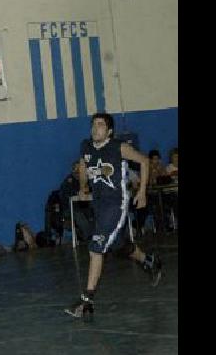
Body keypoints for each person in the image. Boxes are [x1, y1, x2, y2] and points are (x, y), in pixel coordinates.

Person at [65, 114, 164, 320]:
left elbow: (144, 161)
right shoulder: (86, 146)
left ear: (109, 131)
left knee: (97, 247)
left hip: (116, 205)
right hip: (99, 206)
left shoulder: (119, 147)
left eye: (100, 125)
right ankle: (150, 262)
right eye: (93, 125)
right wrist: (83, 185)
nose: (95, 128)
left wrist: (142, 192)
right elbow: (84, 164)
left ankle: (86, 300)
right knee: (119, 246)